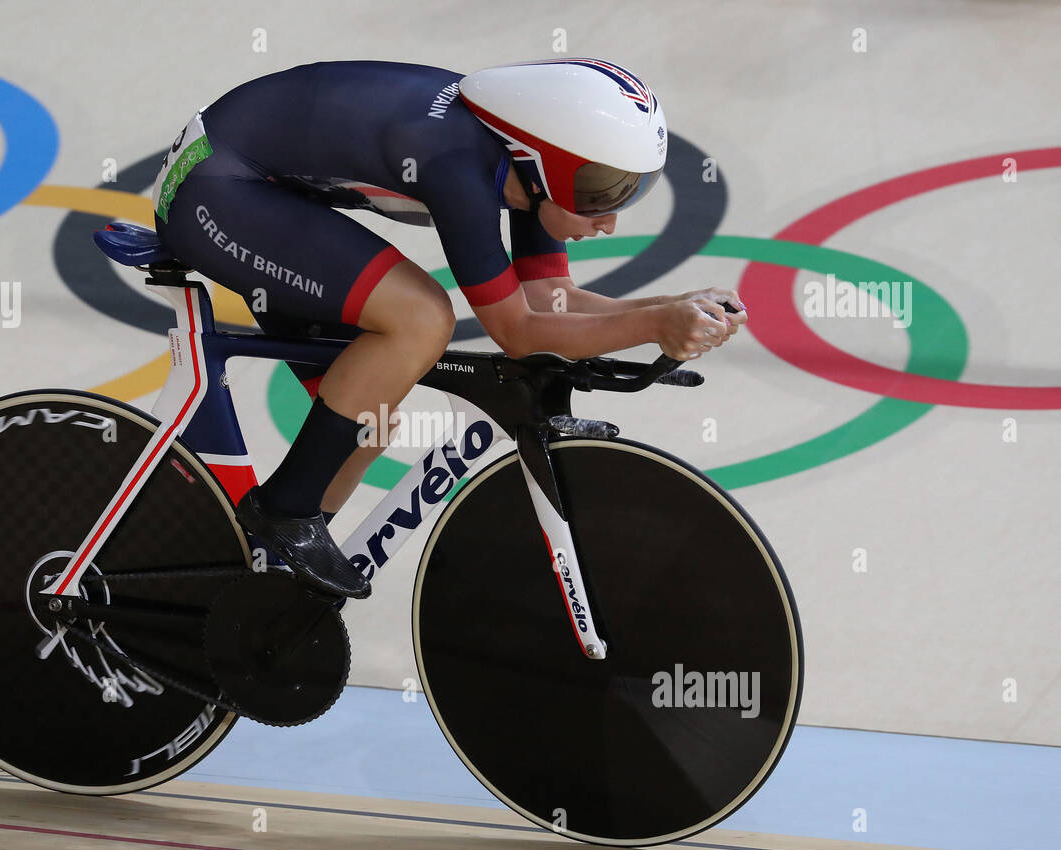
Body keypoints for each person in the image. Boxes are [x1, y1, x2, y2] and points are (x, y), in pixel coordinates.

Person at [151, 58, 746, 599]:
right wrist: (656, 324)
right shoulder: (456, 163)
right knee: (420, 318)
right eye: (601, 190)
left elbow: (552, 302)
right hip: (216, 188)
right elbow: (519, 331)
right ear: (544, 165)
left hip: (259, 184)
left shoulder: (525, 160)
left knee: (364, 424)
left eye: (631, 189)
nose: (612, 220)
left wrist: (675, 305)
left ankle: (259, 591)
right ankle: (284, 508)